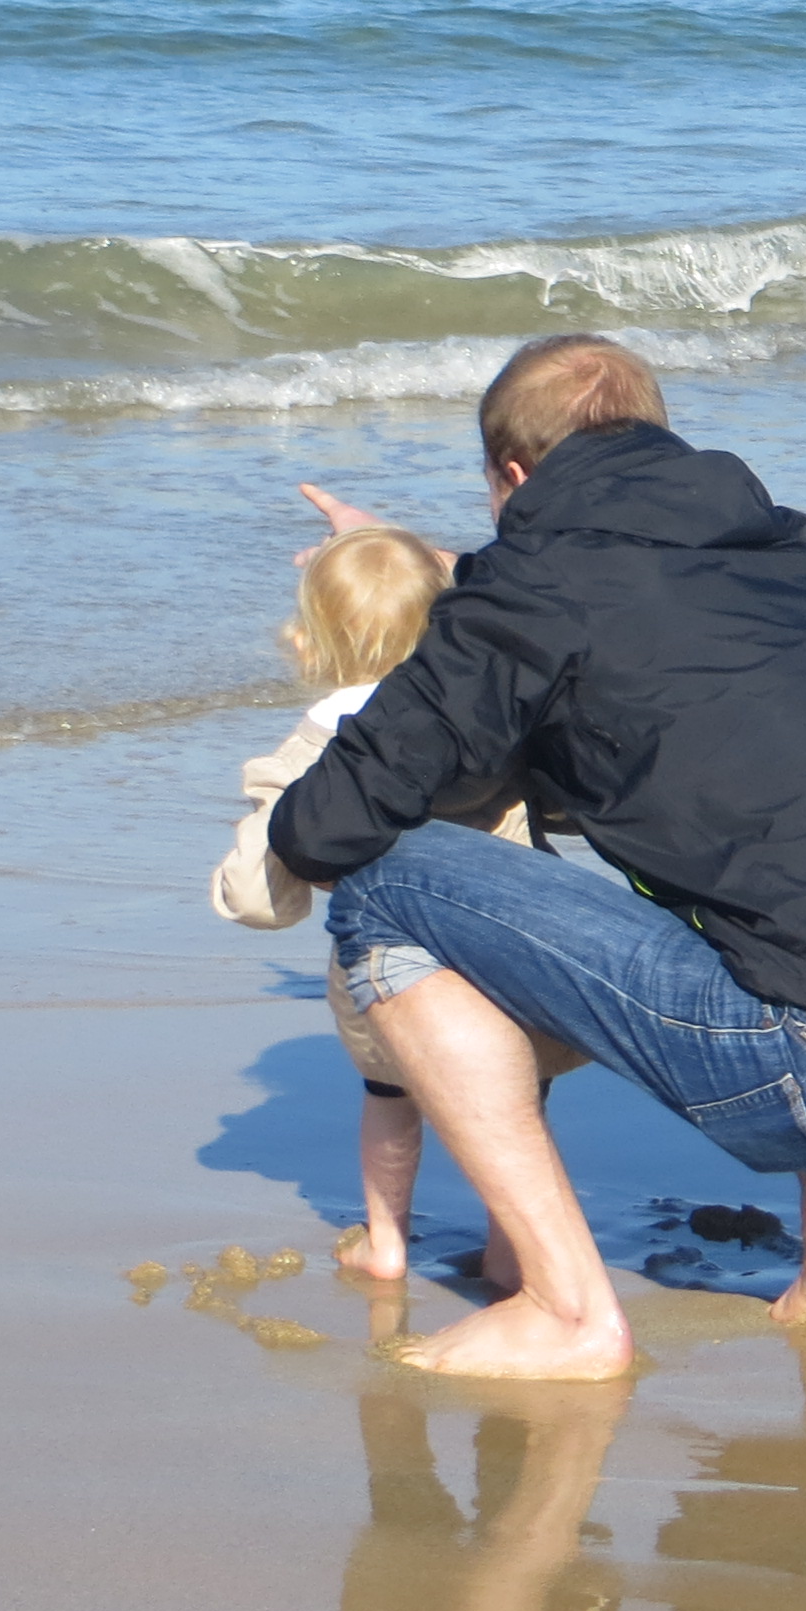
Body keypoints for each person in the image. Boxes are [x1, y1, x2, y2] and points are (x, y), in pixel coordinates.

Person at [263, 335, 806, 1381]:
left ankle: (565, 1311)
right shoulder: (792, 551)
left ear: (512, 477)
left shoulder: (540, 586)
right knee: (768, 855)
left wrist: (424, 620)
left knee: (382, 883)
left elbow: (327, 828)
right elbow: (613, 621)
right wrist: (428, 574)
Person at [211, 520, 526, 1287]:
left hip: (382, 959)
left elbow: (259, 895)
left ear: (309, 645)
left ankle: (387, 1240)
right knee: (513, 1105)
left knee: (390, 1095)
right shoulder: (488, 710)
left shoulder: (314, 745)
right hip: (504, 944)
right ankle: (509, 1250)